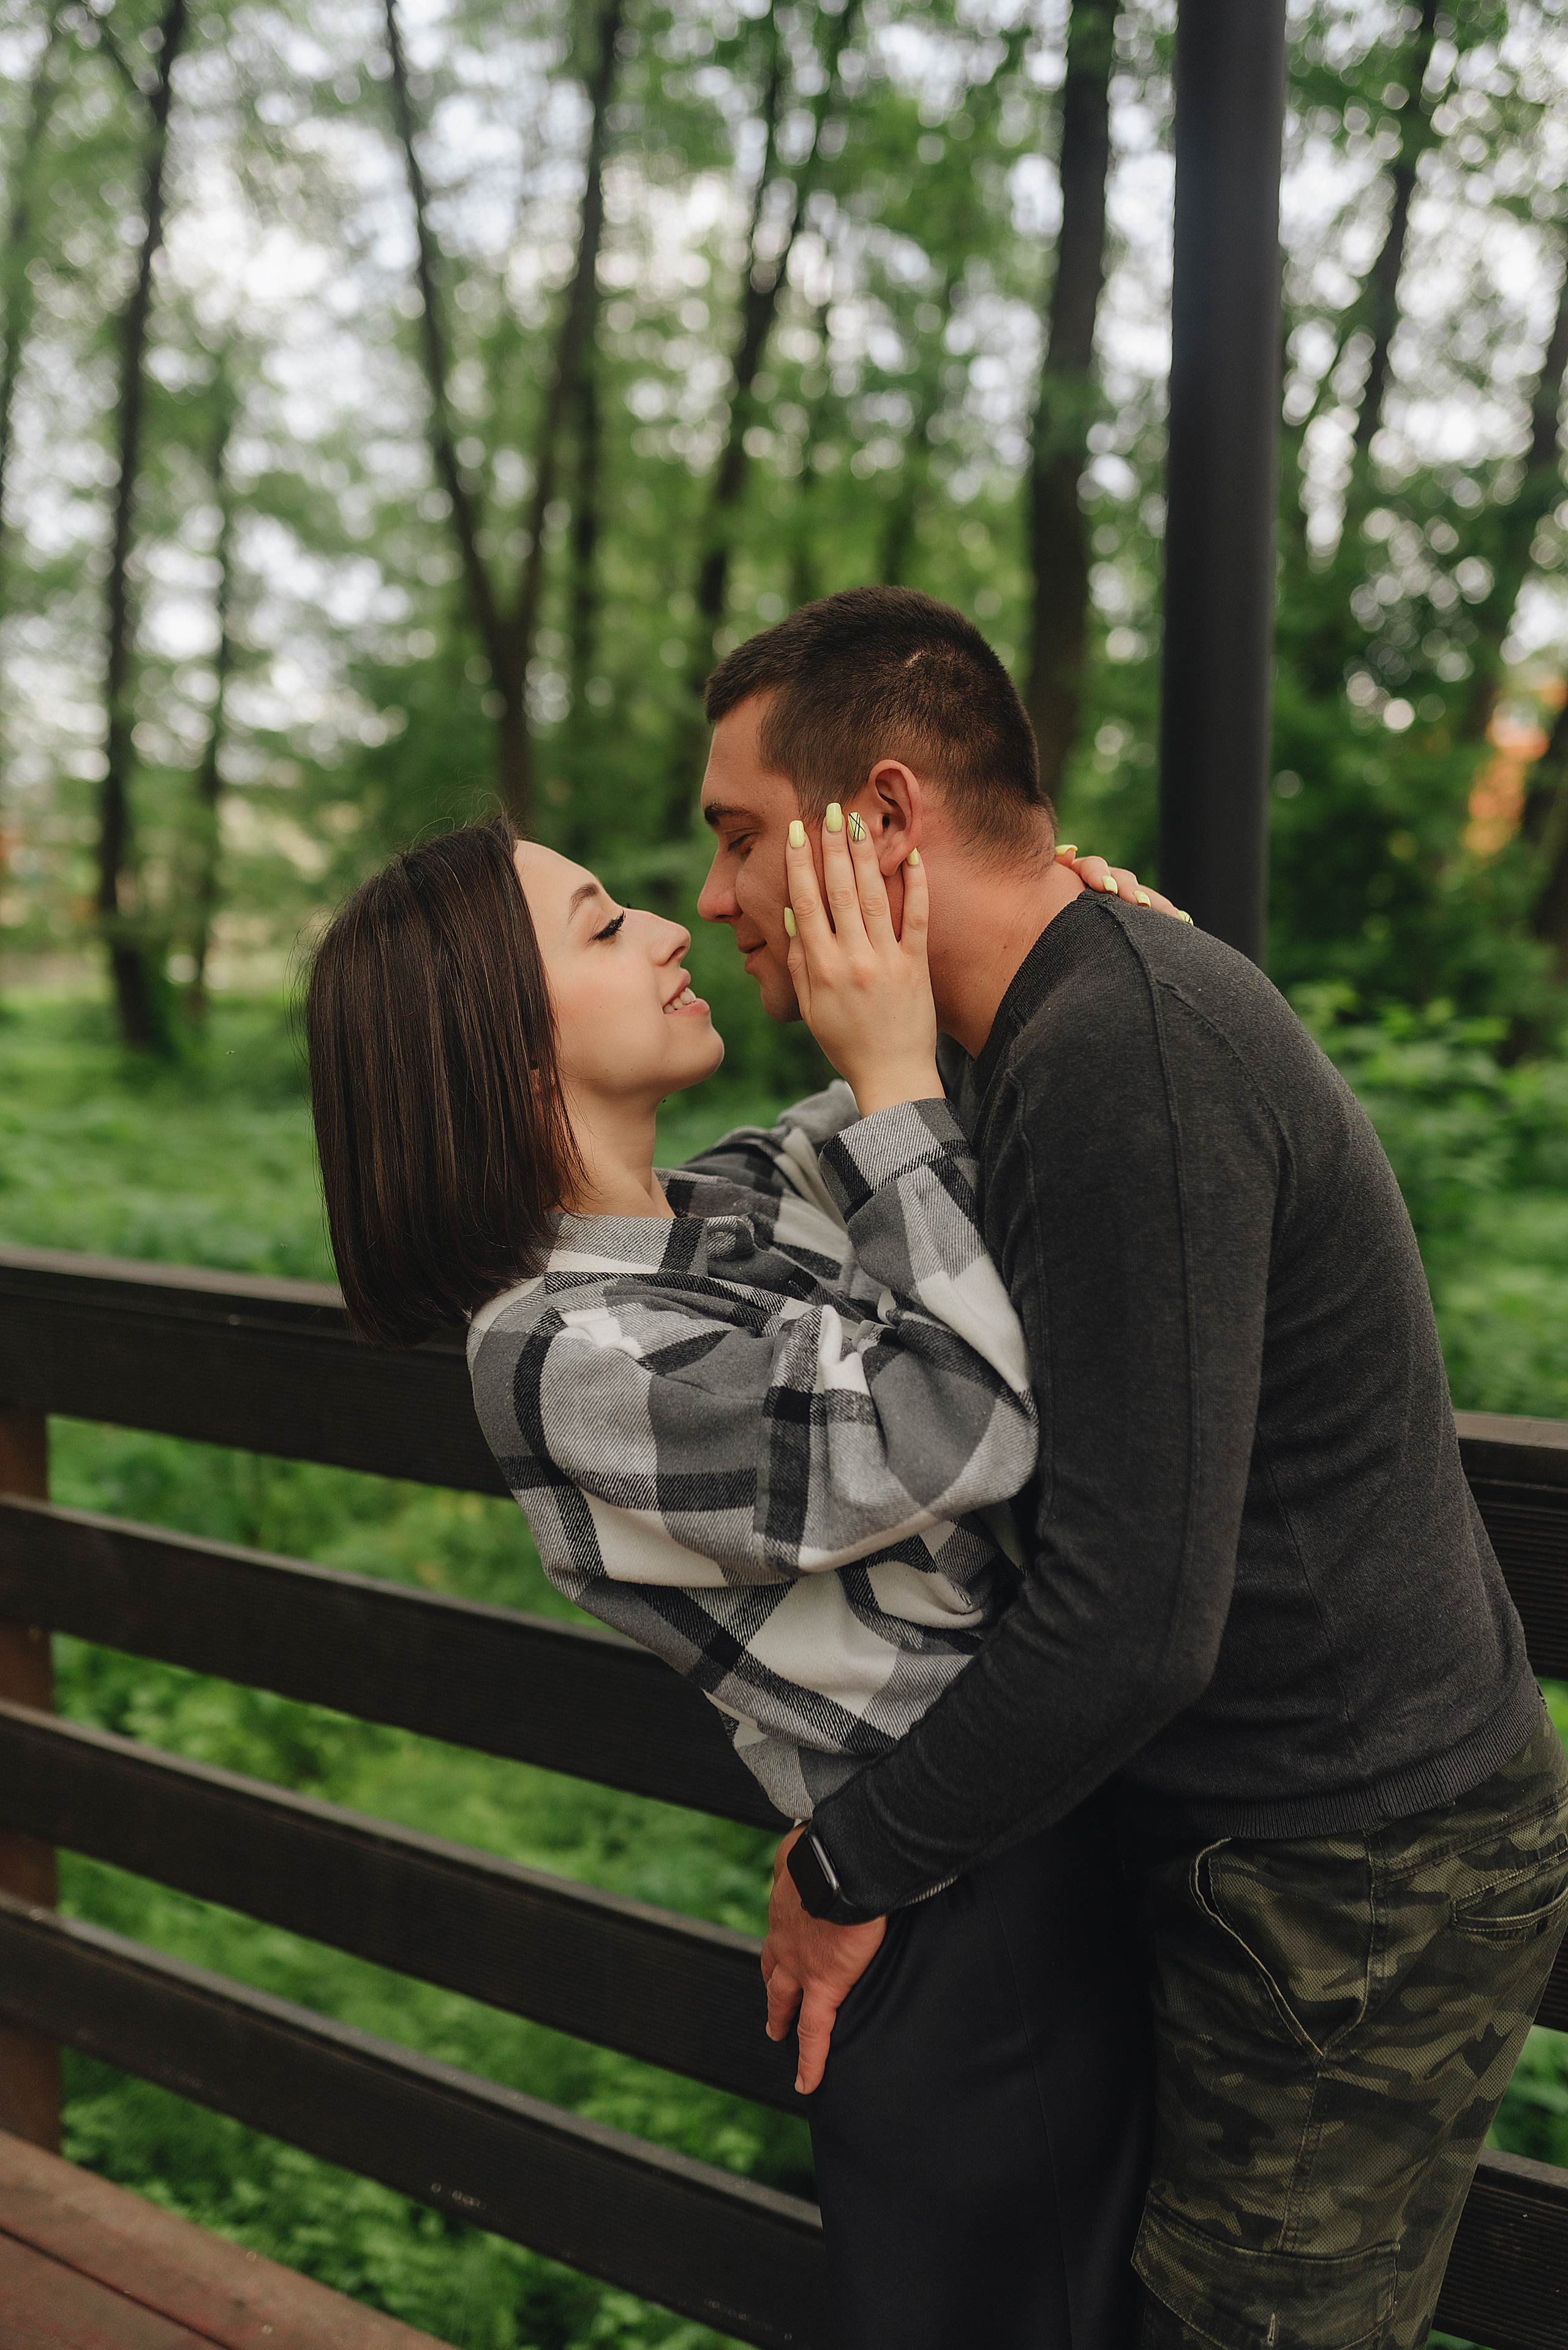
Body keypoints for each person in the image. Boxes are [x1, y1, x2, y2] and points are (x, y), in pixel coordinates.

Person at [693, 586, 1568, 2350]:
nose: (717, 898)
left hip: (1352, 1872)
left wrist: (844, 1864)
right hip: (1242, 1845)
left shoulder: (1118, 1054)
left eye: (735, 835)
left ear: (880, 816)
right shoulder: (1042, 1032)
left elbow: (1132, 1616)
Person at [304, 813, 1161, 2349]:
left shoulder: (728, 1203)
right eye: (599, 923)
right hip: (955, 1911)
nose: (666, 926)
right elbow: (966, 1424)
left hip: (1034, 1838)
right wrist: (892, 1076)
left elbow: (940, 1101)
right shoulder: (558, 1353)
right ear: (505, 1051)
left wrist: (1053, 928)